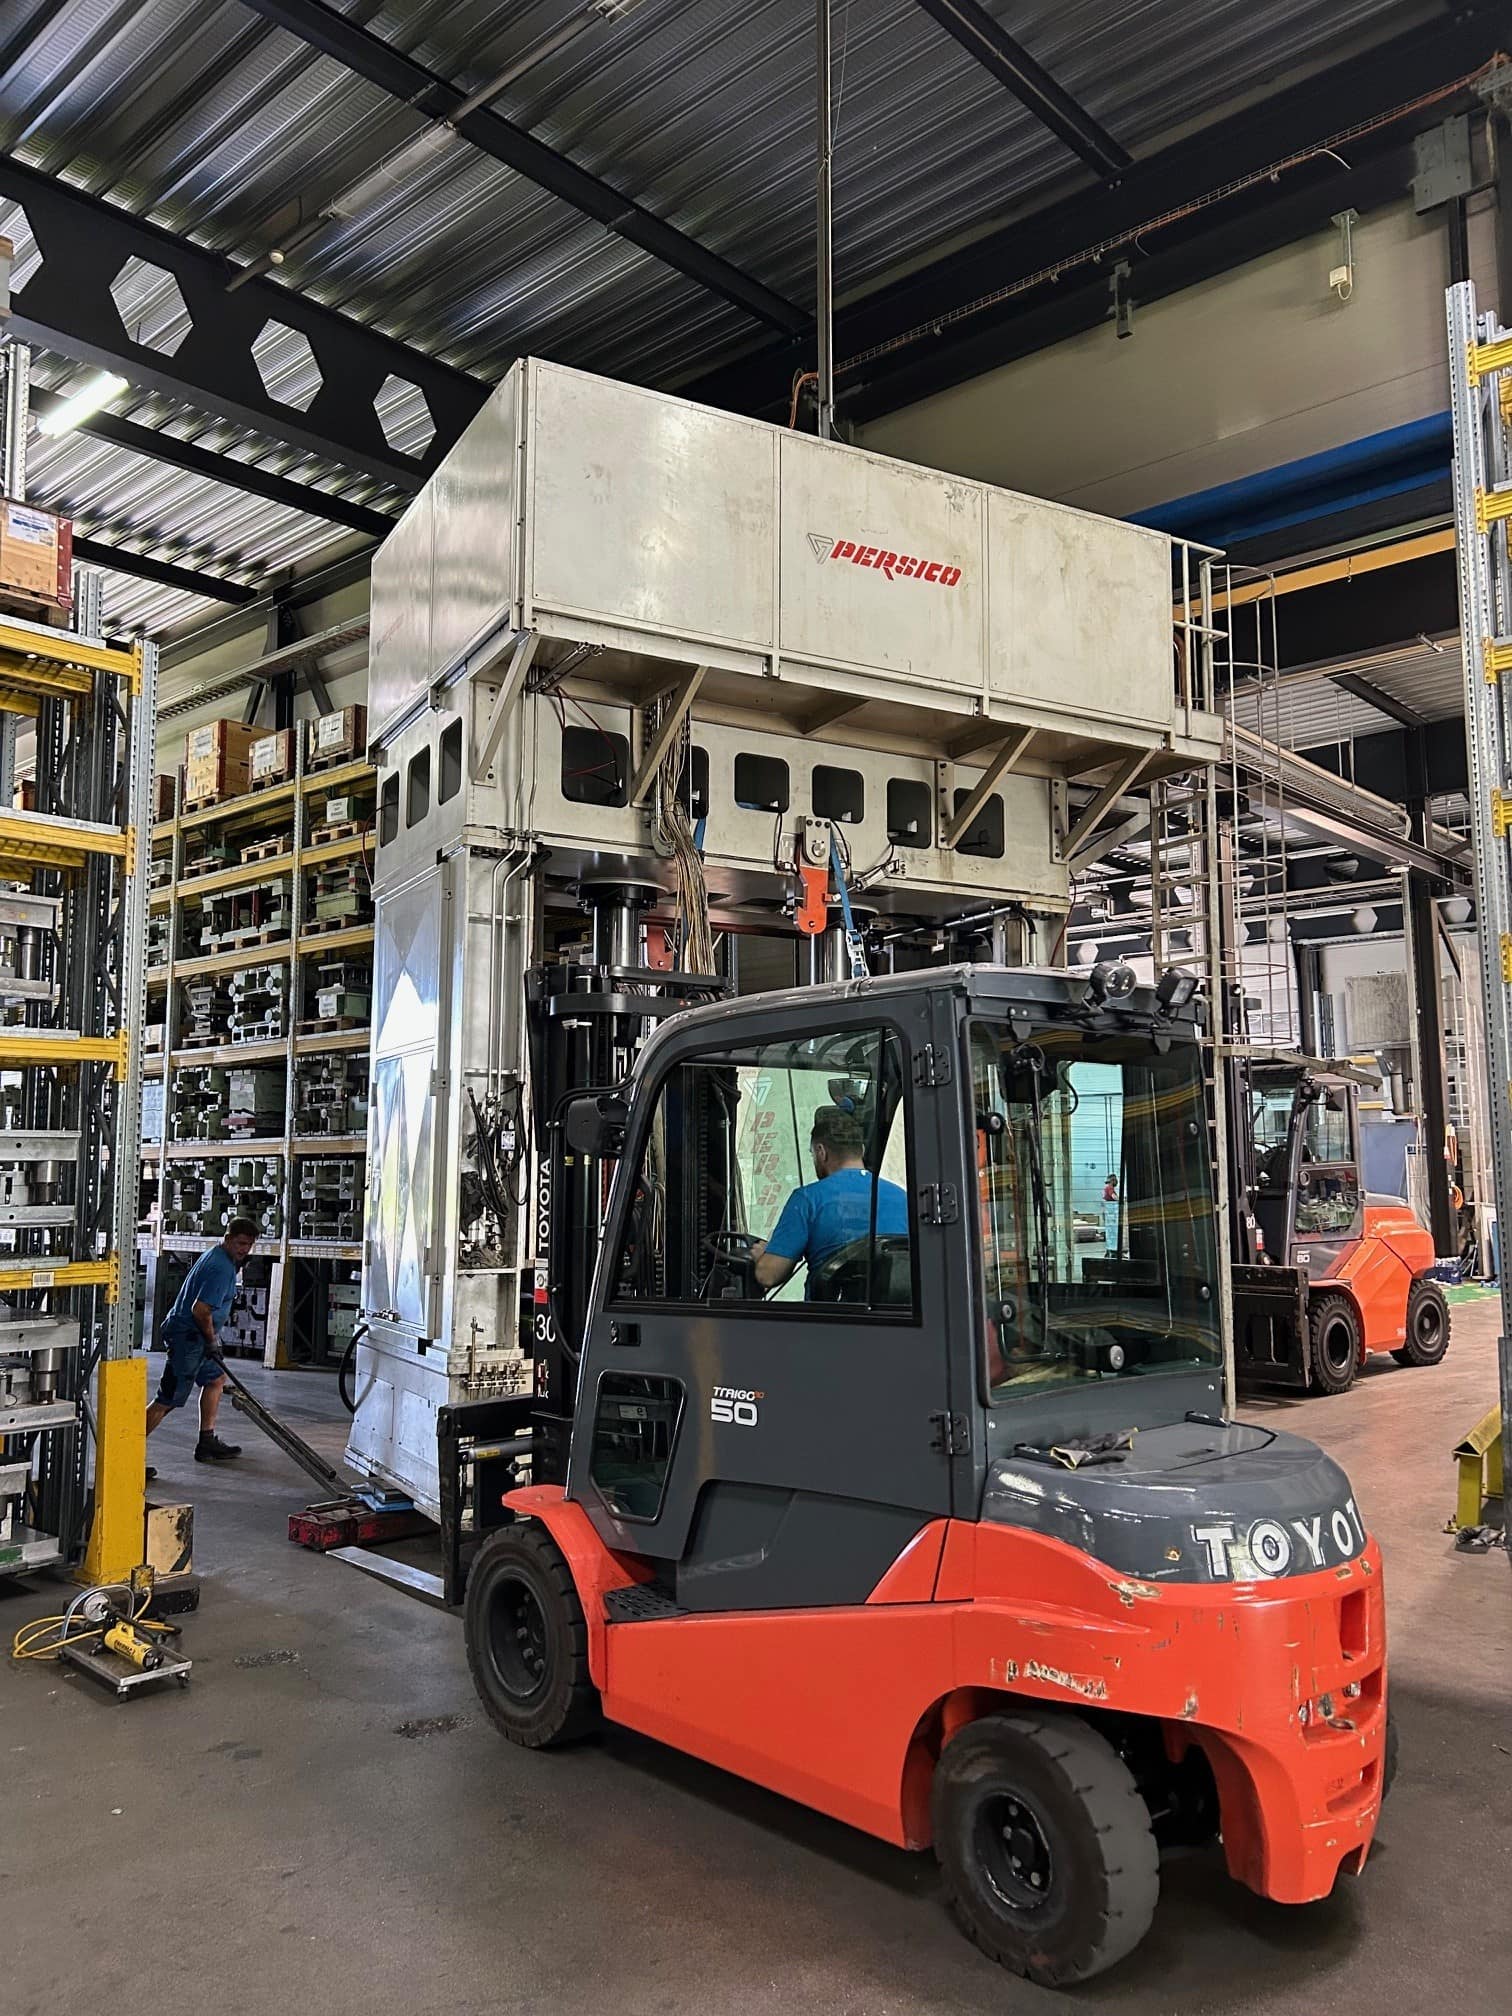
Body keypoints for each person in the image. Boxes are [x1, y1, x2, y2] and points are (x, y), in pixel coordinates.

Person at [753, 1106, 908, 1297]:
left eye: (812, 1154)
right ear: (861, 1150)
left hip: (830, 1314)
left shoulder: (808, 1199)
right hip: (895, 1314)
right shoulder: (902, 1197)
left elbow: (768, 1276)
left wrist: (763, 1256)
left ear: (821, 1152)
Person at [145, 1218, 257, 1467]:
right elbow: (201, 1310)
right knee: (167, 1399)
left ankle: (207, 1441)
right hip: (189, 1337)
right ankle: (125, 1454)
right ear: (228, 1239)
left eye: (249, 1245)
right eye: (240, 1243)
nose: (244, 1249)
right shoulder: (221, 1268)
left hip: (197, 1336)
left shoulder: (220, 1257)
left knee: (215, 1379)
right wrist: (211, 1341)